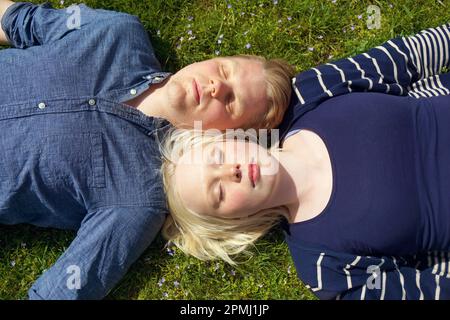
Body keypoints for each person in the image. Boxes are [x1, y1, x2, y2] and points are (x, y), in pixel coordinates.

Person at [0, 1, 295, 299]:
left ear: (226, 136)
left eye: (231, 101)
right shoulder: (117, 33)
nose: (216, 85)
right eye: (224, 70)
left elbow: (61, 293)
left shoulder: (137, 200)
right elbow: (17, 20)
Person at [161, 22, 450, 300]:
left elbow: (406, 57)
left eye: (218, 157)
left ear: (230, 138)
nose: (230, 172)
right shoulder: (325, 266)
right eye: (219, 193)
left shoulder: (308, 94)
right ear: (236, 222)